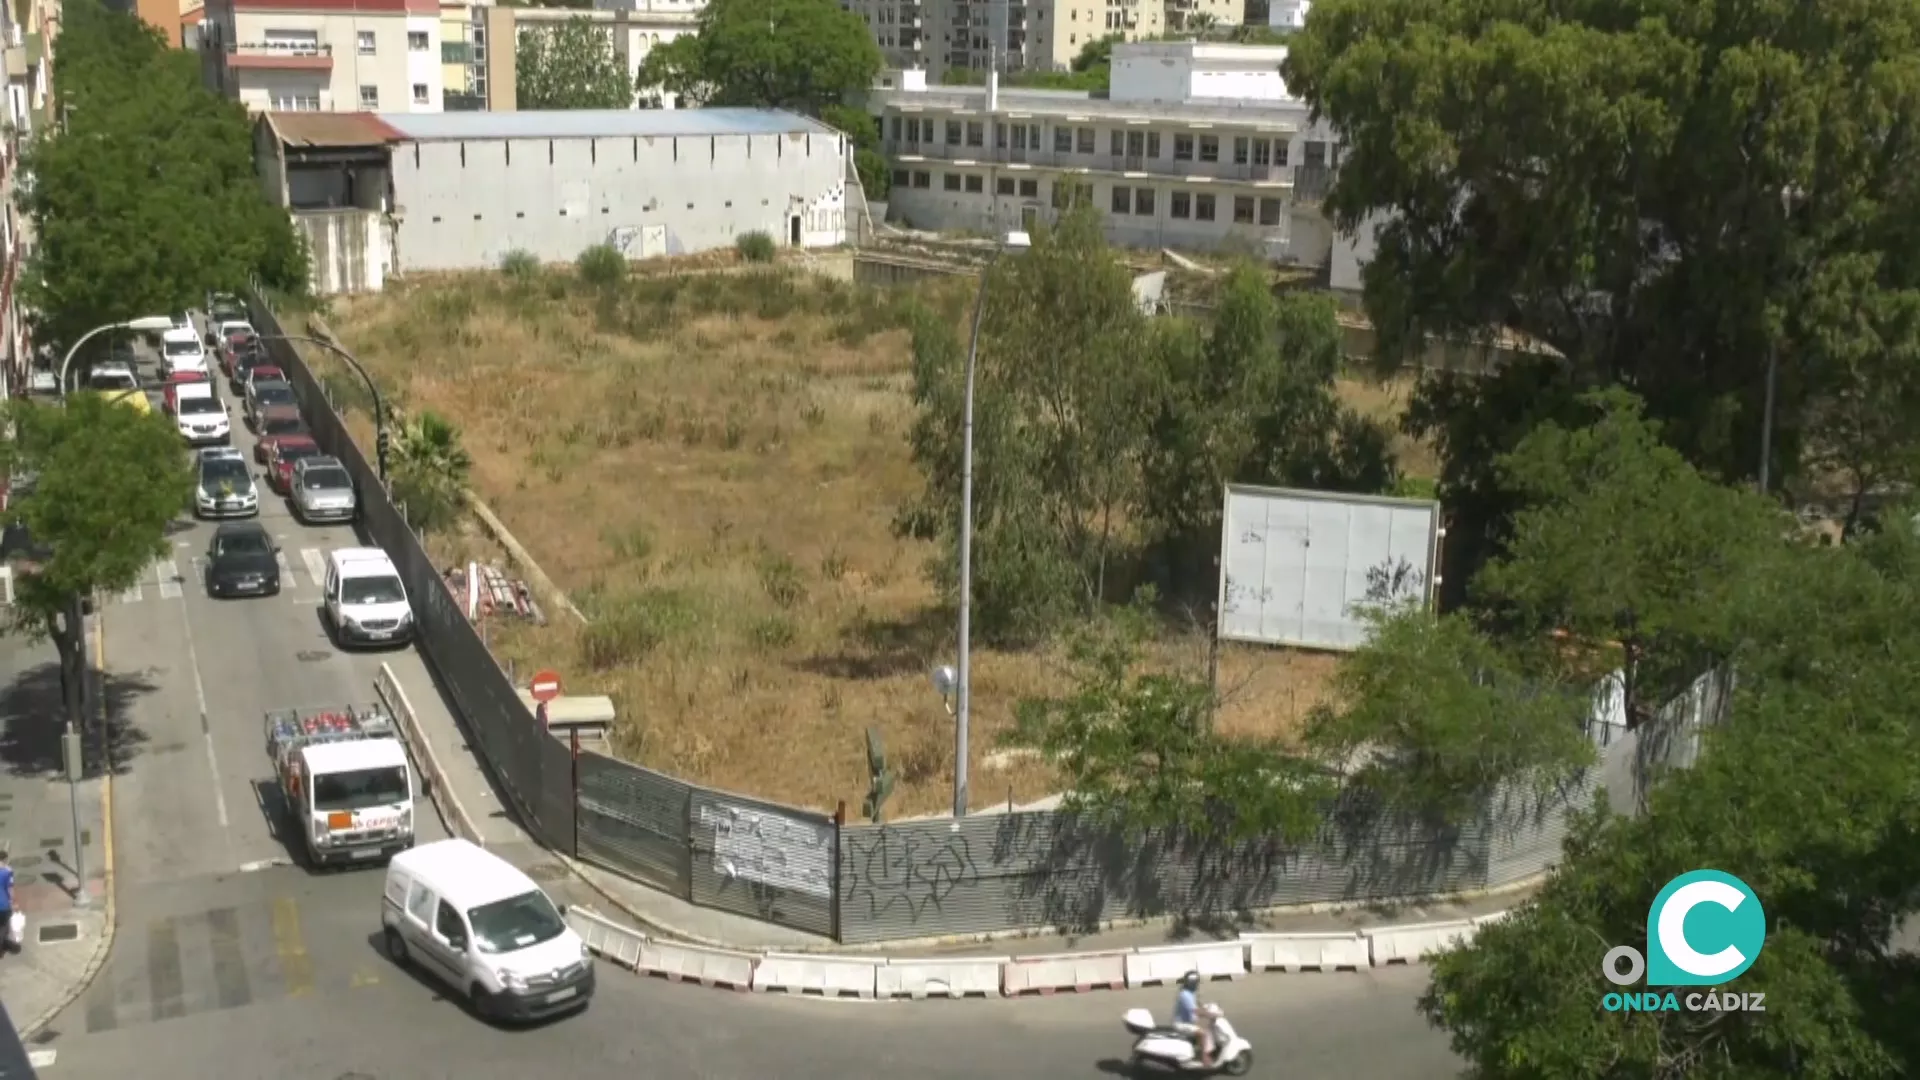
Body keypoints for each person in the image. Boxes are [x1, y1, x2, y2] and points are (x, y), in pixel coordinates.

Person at [1171, 971, 1212, 1067]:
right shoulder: (1185, 995)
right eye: (1196, 982)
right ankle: (1205, 1059)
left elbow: (1197, 1001)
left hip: (1188, 1022)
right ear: (1192, 983)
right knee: (1203, 1033)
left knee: (1203, 1028)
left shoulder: (1190, 991)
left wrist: (1206, 1006)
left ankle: (1197, 1051)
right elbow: (1195, 1011)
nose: (1198, 984)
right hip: (1181, 1024)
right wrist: (1209, 1014)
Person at [0, 850, 15, 953]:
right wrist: (12, 902)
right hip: (3, 904)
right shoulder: (8, 871)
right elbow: (10, 889)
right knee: (4, 926)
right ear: (5, 859)